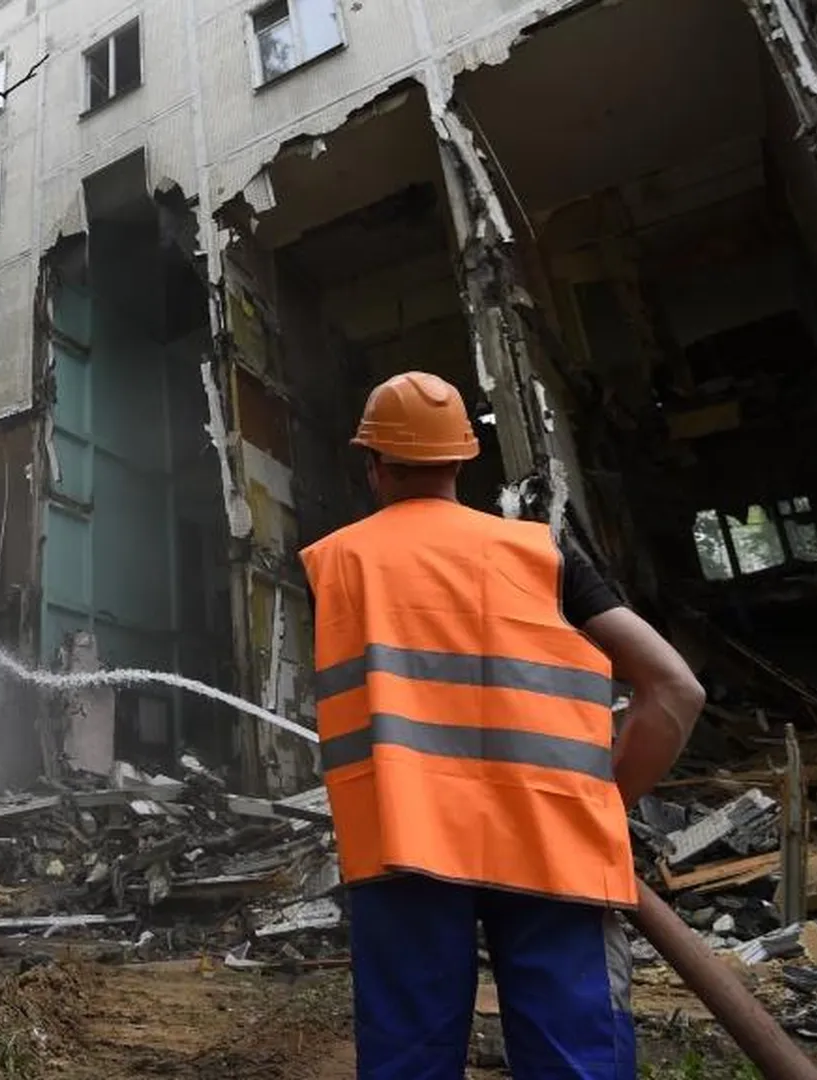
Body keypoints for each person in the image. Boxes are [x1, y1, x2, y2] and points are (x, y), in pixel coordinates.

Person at [298, 371, 705, 1079]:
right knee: (574, 1059)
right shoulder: (544, 555)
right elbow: (675, 691)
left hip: (404, 842)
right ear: (462, 460)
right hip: (551, 843)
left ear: (373, 466)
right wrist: (602, 803)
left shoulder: (337, 562)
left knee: (409, 1060)